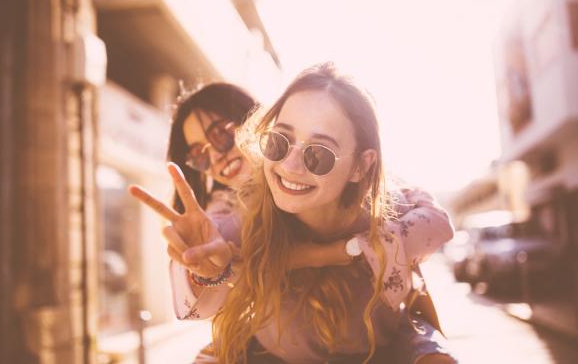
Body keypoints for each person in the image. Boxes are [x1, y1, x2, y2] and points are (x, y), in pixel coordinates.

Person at [130, 70, 457, 363]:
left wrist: (341, 250)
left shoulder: (363, 191)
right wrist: (211, 268)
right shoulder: (227, 213)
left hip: (380, 342)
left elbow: (434, 224)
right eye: (198, 155)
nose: (215, 155)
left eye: (220, 135)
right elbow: (216, 250)